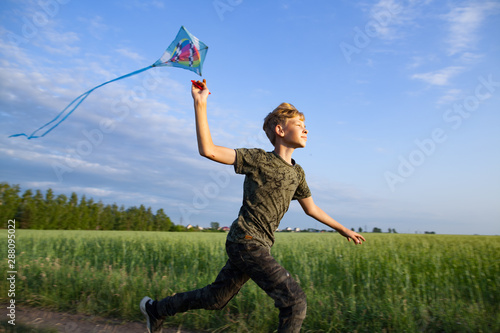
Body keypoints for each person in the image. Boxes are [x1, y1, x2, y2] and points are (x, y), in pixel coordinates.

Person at [140, 79, 366, 333]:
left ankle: (156, 309)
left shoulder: (298, 173)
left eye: (306, 126)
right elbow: (209, 150)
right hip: (246, 240)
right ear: (280, 130)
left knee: (216, 299)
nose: (306, 130)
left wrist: (343, 229)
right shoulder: (258, 159)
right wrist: (200, 103)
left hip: (257, 244)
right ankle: (156, 310)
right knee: (294, 302)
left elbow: (311, 209)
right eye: (299, 125)